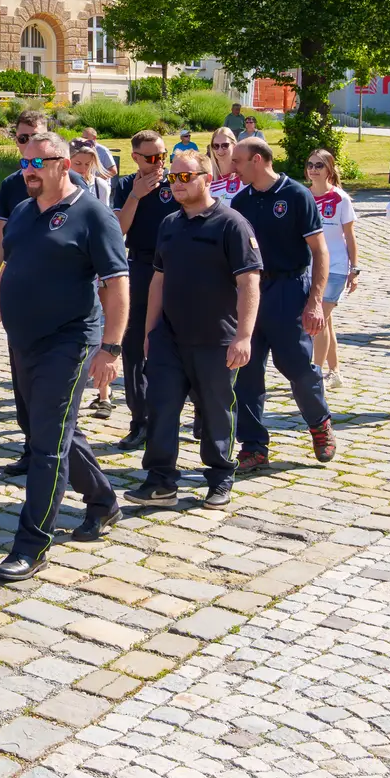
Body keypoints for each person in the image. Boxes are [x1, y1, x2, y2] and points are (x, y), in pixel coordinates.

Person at [0, 130, 125, 583]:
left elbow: (118, 285)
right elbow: (9, 275)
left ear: (64, 163)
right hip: (25, 340)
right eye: (23, 164)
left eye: (36, 164)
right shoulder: (21, 212)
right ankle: (103, 501)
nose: (27, 172)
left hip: (71, 339)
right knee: (50, 427)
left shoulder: (93, 216)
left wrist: (111, 348)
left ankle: (32, 543)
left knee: (46, 443)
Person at [125, 151, 261, 510]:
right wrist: (150, 332)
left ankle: (220, 477)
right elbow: (158, 278)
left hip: (216, 338)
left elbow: (249, 282)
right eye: (173, 178)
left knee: (216, 411)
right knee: (161, 407)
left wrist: (244, 336)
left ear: (207, 178)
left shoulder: (231, 224)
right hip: (169, 338)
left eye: (186, 177)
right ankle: (160, 481)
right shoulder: (169, 223)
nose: (177, 184)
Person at [0, 110, 86, 475]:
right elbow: (4, 246)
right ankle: (34, 449)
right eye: (22, 144)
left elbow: (110, 275)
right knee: (28, 397)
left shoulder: (79, 200)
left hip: (67, 322)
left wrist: (111, 344)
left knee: (53, 408)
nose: (29, 161)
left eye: (36, 147)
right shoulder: (16, 189)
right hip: (24, 316)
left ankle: (59, 485)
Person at [227, 138, 336, 470]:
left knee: (298, 366)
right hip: (250, 290)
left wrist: (315, 301)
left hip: (288, 289)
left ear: (257, 160)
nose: (233, 167)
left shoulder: (295, 195)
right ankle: (253, 445)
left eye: (238, 161)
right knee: (245, 370)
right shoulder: (240, 200)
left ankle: (319, 422)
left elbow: (320, 251)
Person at [109, 130, 180, 451]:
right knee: (134, 346)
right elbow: (118, 230)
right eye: (152, 158)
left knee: (183, 342)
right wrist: (136, 195)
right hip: (139, 267)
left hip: (178, 269)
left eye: (163, 156)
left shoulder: (177, 181)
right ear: (135, 157)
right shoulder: (124, 186)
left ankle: (187, 415)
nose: (159, 163)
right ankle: (140, 421)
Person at [304, 150, 359, 389]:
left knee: (318, 320)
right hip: (308, 267)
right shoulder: (303, 196)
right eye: (310, 164)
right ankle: (334, 371)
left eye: (319, 165)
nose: (313, 169)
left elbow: (350, 235)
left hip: (335, 266)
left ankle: (314, 373)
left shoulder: (340, 198)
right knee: (325, 322)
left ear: (329, 169)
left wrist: (354, 268)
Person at [205, 126, 243, 204]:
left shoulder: (244, 177)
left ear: (234, 145)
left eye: (225, 145)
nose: (220, 150)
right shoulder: (207, 179)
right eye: (216, 146)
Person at [70, 140, 112, 205]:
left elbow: (104, 214)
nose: (83, 169)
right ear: (67, 162)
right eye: (78, 164)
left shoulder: (100, 186)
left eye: (87, 164)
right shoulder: (57, 185)